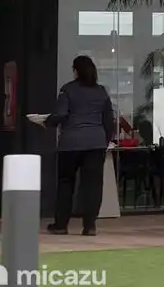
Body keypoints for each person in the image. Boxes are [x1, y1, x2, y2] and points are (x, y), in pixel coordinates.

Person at [44, 56, 115, 236]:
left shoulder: (67, 90)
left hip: (71, 143)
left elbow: (60, 114)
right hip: (96, 143)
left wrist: (46, 121)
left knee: (66, 182)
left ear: (76, 70)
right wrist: (104, 141)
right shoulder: (101, 92)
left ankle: (61, 225)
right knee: (93, 185)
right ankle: (90, 226)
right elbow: (109, 120)